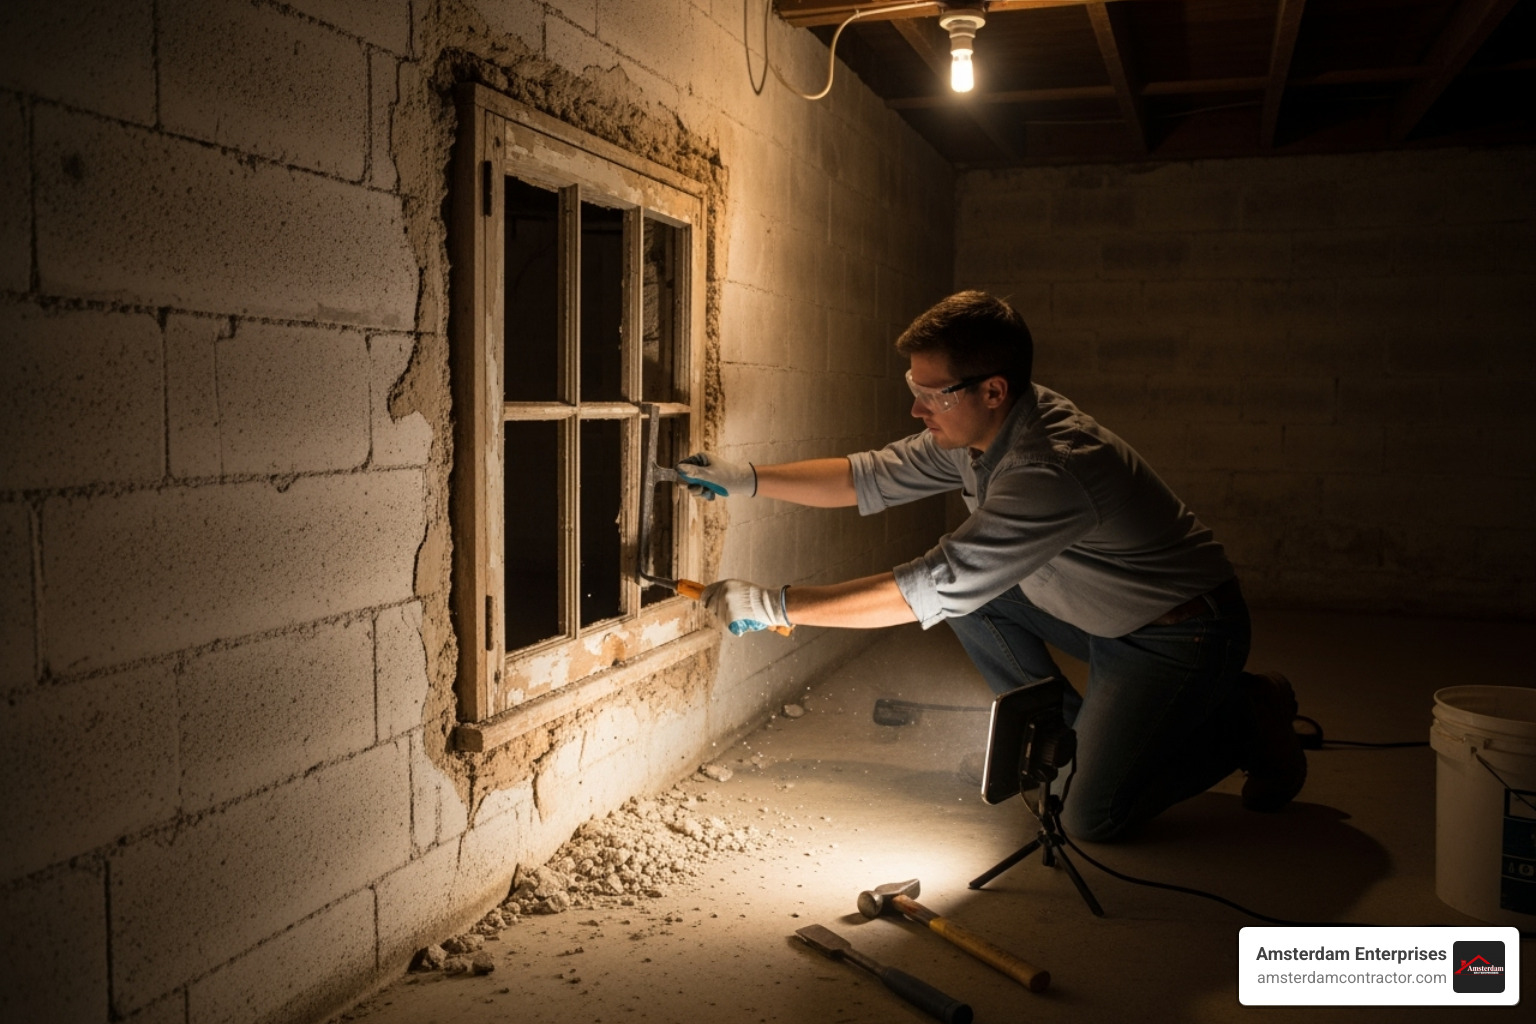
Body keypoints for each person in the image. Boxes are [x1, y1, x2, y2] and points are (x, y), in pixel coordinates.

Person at [674, 290, 1305, 842]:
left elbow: (931, 585)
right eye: (912, 389)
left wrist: (776, 606)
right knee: (981, 605)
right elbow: (870, 475)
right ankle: (1064, 742)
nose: (917, 409)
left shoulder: (1049, 466)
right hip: (1095, 607)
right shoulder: (979, 429)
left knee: (1094, 818)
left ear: (992, 390)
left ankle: (1247, 720)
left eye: (930, 394)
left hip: (1179, 634)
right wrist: (747, 479)